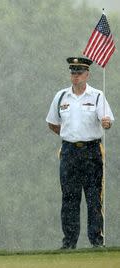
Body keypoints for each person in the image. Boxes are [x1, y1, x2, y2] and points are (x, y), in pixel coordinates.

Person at [46, 57, 114, 249]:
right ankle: (69, 242)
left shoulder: (97, 96)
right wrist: (70, 135)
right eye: (72, 73)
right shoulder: (61, 96)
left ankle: (96, 241)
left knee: (94, 197)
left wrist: (106, 123)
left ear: (87, 75)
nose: (75, 77)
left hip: (92, 151)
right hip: (69, 151)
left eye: (79, 73)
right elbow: (52, 123)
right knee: (69, 197)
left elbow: (106, 120)